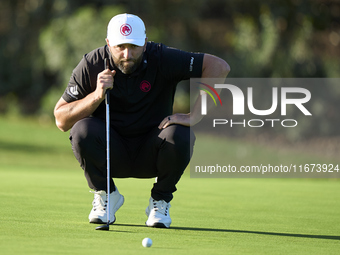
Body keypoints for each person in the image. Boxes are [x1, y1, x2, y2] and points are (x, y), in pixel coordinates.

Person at [54, 13, 230, 228]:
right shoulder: (92, 63)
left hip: (153, 152)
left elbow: (218, 67)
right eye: (120, 47)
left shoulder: (162, 57)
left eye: (134, 46)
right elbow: (61, 120)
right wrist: (96, 95)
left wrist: (196, 115)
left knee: (180, 134)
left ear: (145, 43)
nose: (127, 54)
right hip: (111, 156)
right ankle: (106, 195)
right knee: (82, 130)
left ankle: (160, 200)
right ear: (108, 43)